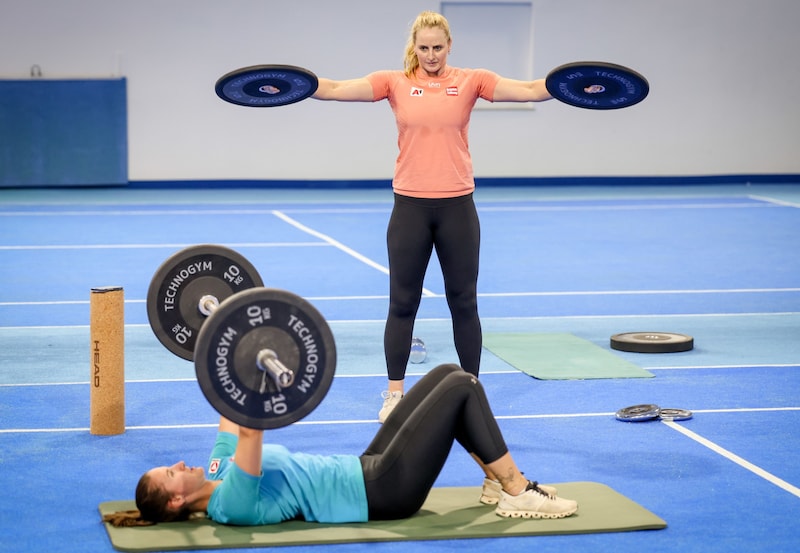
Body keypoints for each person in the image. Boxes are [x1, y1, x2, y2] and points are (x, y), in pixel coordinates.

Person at [311, 11, 554, 421]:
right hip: (410, 208)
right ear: (414, 46)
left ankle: (471, 390)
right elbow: (334, 88)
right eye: (423, 47)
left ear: (449, 45)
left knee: (464, 302)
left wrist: (573, 87)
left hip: (458, 206)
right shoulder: (394, 82)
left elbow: (531, 89)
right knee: (402, 303)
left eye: (437, 47)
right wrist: (290, 87)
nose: (430, 55)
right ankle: (394, 394)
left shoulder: (471, 80)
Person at [103, 363, 577, 527]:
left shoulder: (212, 472)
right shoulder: (230, 503)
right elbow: (251, 429)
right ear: (177, 499)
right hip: (383, 494)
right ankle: (516, 489)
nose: (178, 463)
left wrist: (224, 346)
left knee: (450, 375)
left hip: (366, 466)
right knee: (461, 390)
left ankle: (499, 483)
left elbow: (229, 415)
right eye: (170, 472)